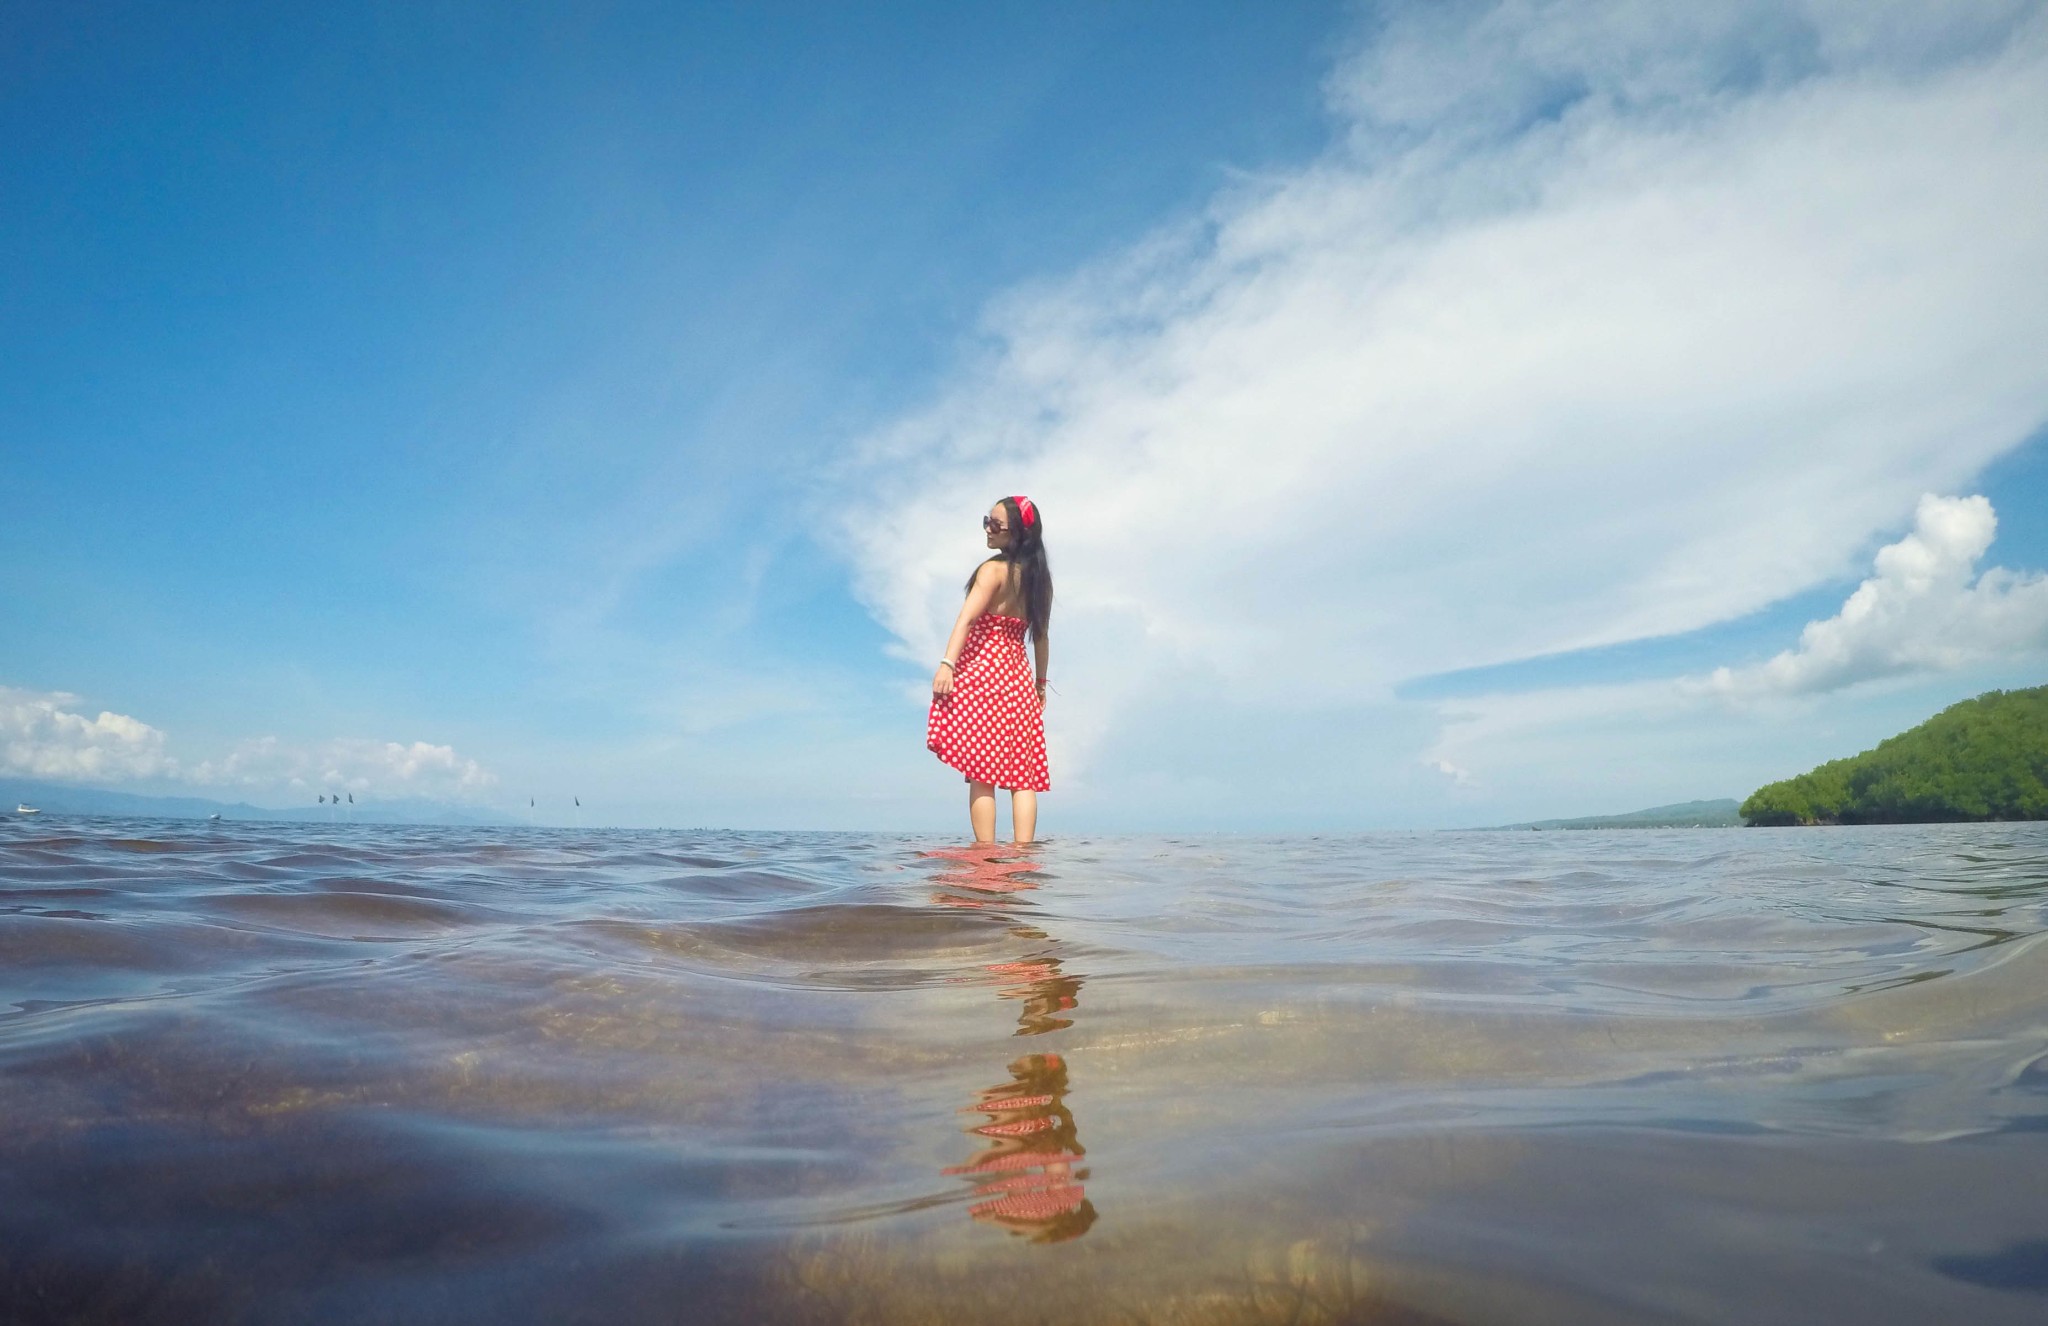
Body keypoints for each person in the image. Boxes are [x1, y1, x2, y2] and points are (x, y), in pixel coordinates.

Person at [927, 496, 1052, 844]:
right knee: (1021, 775)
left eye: (995, 524)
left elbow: (967, 620)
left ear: (1018, 533)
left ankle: (984, 858)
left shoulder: (991, 571)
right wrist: (1040, 684)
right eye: (987, 520)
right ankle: (1023, 858)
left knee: (982, 773)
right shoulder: (1040, 582)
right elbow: (1040, 638)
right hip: (1017, 679)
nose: (987, 528)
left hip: (982, 674)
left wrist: (947, 664)